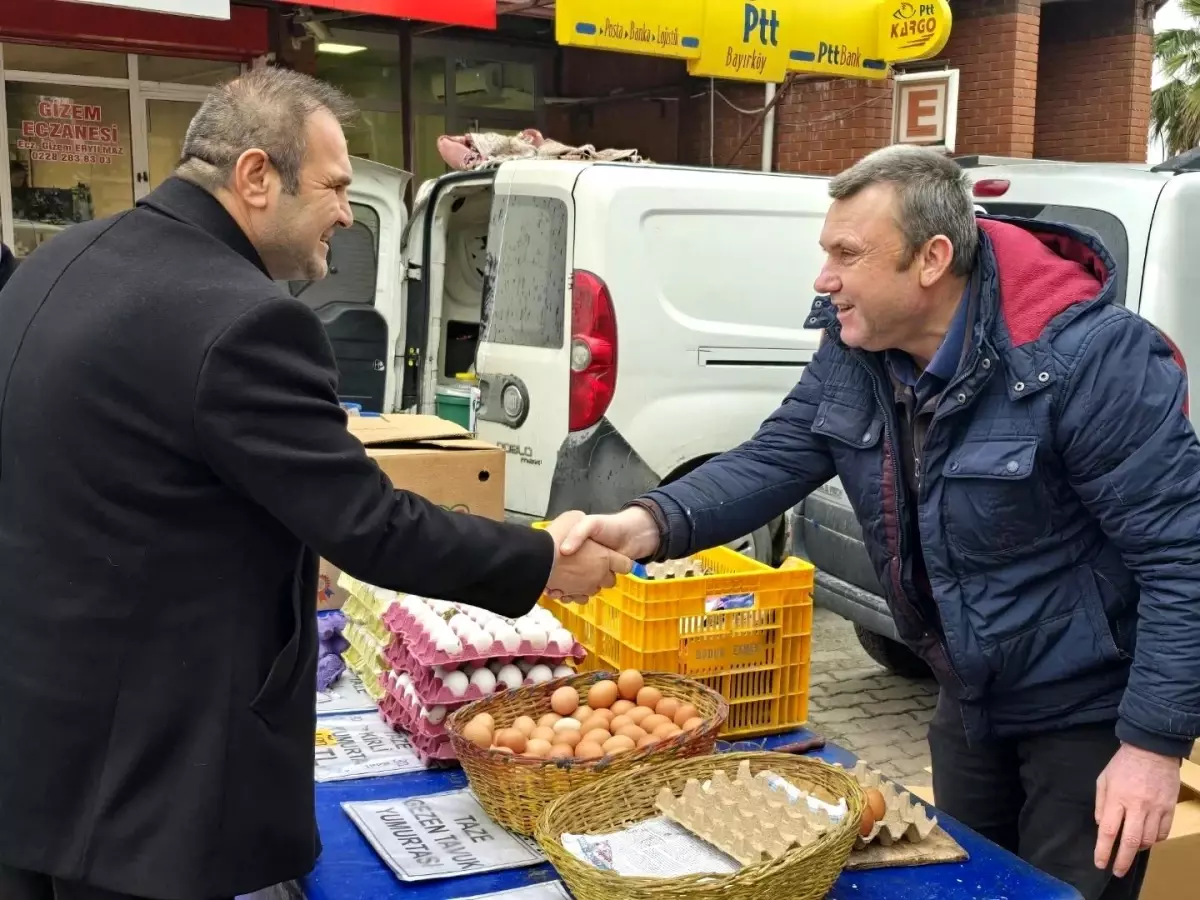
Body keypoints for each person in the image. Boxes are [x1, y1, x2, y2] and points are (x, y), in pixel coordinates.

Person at [0, 68, 627, 900]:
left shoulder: (62, 259)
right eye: (334, 186)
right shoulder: (244, 316)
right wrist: (541, 559)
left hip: (34, 731)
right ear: (256, 177)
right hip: (143, 766)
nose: (343, 210)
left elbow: (135, 465)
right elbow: (370, 521)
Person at [559, 145, 1200, 900]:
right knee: (962, 884)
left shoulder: (1088, 359)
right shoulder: (859, 347)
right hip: (967, 694)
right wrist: (644, 524)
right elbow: (777, 455)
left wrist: (1152, 746)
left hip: (1085, 711)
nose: (823, 278)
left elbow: (1182, 557)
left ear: (931, 259)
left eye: (846, 254)